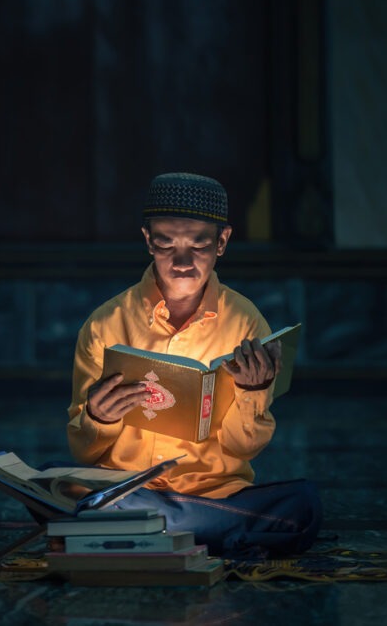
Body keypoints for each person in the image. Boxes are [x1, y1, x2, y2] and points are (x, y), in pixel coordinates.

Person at [68, 172, 321, 558]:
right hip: (126, 488)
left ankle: (143, 530)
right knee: (59, 485)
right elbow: (83, 453)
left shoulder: (247, 324)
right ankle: (199, 532)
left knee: (302, 505)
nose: (182, 262)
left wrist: (253, 393)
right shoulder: (105, 323)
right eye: (166, 244)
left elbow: (243, 448)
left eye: (199, 245)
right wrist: (99, 419)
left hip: (213, 493)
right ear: (148, 241)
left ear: (222, 242)